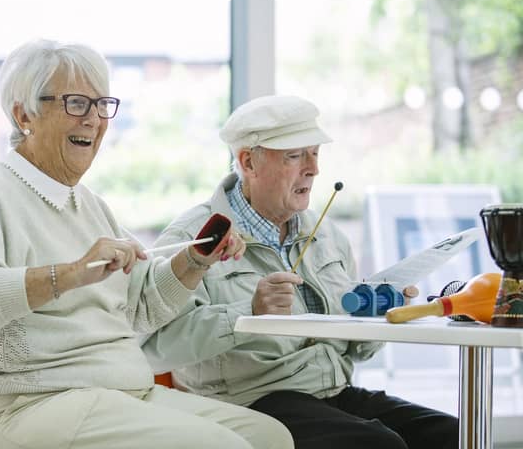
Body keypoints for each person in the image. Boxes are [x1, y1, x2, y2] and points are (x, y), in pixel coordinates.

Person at [0, 40, 294, 449]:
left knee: (270, 437)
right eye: (75, 104)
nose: (93, 120)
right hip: (22, 405)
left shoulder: (89, 205)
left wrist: (194, 261)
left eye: (101, 105)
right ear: (23, 114)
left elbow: (140, 308)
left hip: (116, 392)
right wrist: (69, 274)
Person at [142, 95, 459, 449]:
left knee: (454, 436)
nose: (313, 168)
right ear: (248, 162)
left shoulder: (327, 236)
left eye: (315, 153)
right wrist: (249, 313)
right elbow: (158, 347)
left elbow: (355, 349)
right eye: (295, 155)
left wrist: (380, 313)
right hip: (252, 400)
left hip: (331, 391)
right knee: (379, 445)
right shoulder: (193, 239)